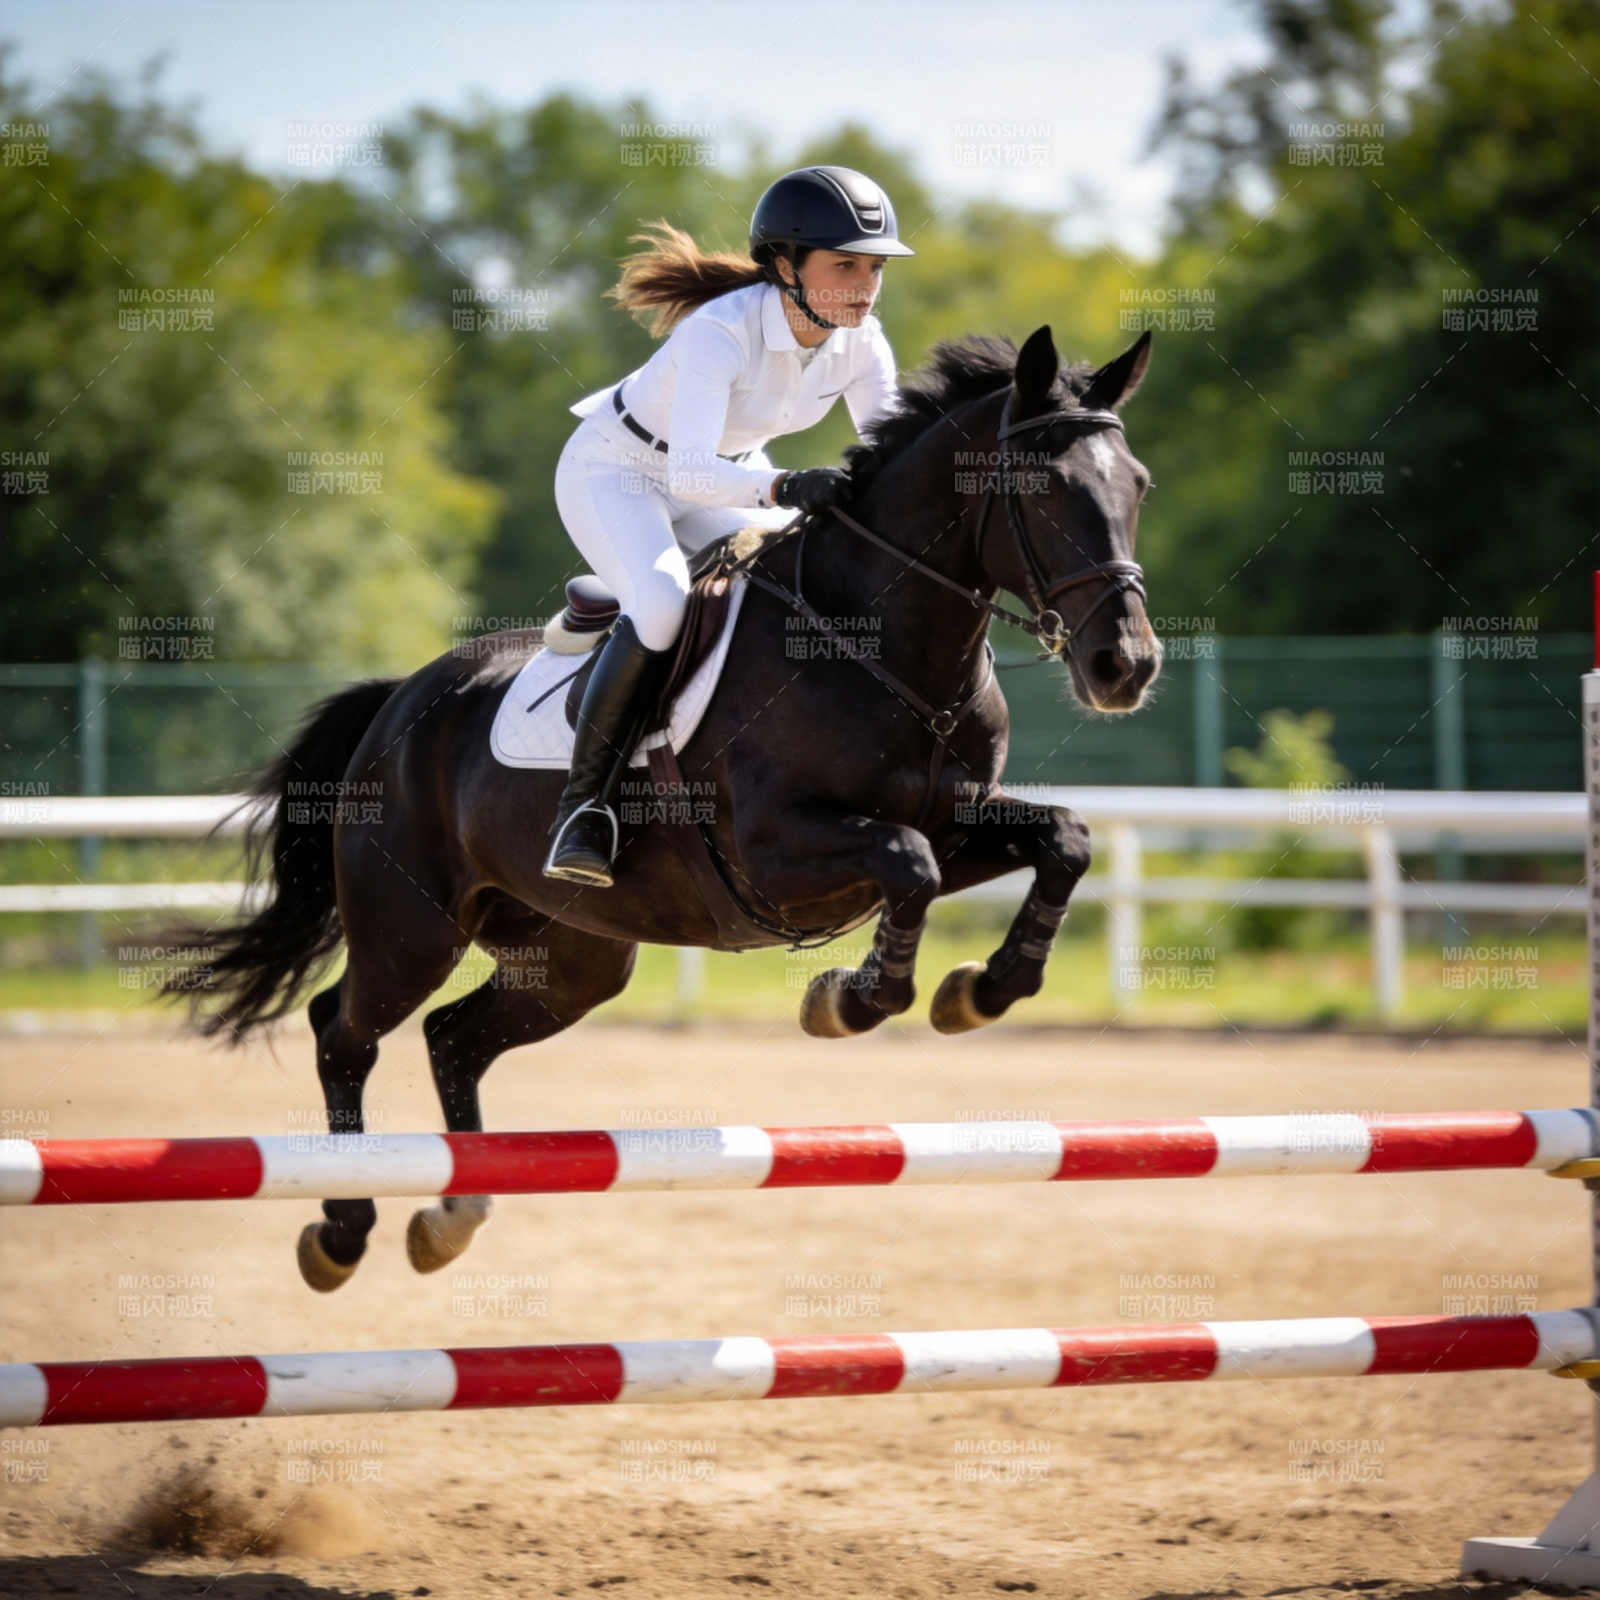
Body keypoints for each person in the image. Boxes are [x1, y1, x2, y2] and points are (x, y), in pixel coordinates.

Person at [543, 165, 915, 887]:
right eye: (845, 265)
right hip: (619, 470)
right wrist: (784, 484)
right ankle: (582, 809)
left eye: (875, 267)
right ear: (784, 266)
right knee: (661, 604)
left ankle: (615, 601)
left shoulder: (864, 343)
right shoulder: (720, 332)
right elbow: (687, 475)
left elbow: (887, 458)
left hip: (728, 473)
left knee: (787, 588)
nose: (866, 284)